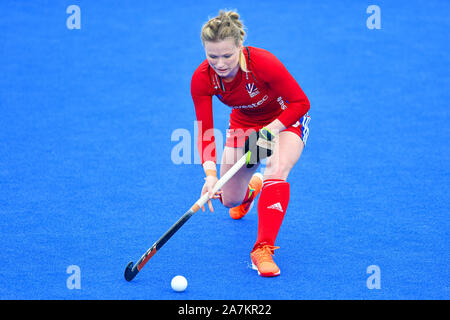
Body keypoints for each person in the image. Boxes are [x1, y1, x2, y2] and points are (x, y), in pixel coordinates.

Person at [191, 10, 310, 277]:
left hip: (284, 119)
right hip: (244, 125)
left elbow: (301, 103)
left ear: (240, 48)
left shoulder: (263, 63)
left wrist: (271, 130)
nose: (220, 64)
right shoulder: (201, 79)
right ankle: (250, 190)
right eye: (212, 56)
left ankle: (263, 249)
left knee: (276, 169)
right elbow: (205, 131)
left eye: (227, 55)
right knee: (229, 200)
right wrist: (210, 175)